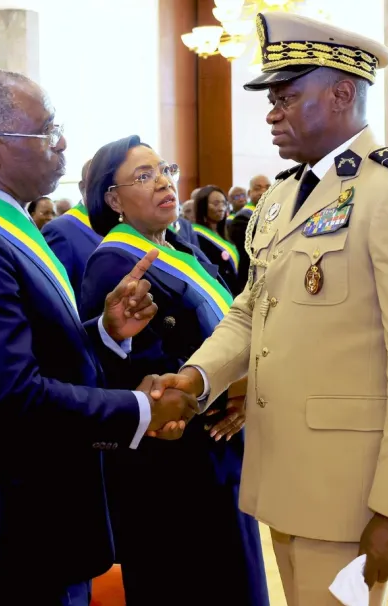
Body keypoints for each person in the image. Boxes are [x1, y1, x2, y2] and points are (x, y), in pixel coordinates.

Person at [153, 12, 388, 605]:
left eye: (287, 96)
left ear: (343, 92)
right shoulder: (281, 200)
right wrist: (197, 377)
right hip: (284, 474)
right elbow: (250, 310)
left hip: (351, 492)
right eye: (273, 98)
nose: (272, 112)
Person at [0, 69, 197, 606]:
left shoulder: (2, 223)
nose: (62, 143)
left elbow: (35, 356)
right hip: (6, 535)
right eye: (47, 131)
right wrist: (139, 411)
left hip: (38, 524)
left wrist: (106, 332)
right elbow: (11, 397)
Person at [80, 135, 268, 606]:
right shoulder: (113, 264)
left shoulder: (181, 247)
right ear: (112, 198)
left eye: (164, 169)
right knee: (188, 580)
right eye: (144, 176)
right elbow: (127, 372)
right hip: (171, 467)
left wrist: (246, 392)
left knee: (233, 577)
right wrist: (232, 392)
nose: (163, 181)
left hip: (216, 451)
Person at [43, 159, 102, 304]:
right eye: (102, 183)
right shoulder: (60, 231)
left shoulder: (128, 222)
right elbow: (54, 301)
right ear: (83, 187)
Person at [192, 185, 241, 295]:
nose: (221, 207)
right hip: (217, 294)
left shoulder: (226, 231)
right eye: (215, 203)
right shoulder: (195, 235)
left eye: (224, 203)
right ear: (202, 206)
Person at [230, 173, 270, 285]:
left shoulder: (273, 213)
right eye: (258, 188)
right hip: (252, 278)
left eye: (268, 187)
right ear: (249, 193)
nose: (263, 191)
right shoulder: (242, 218)